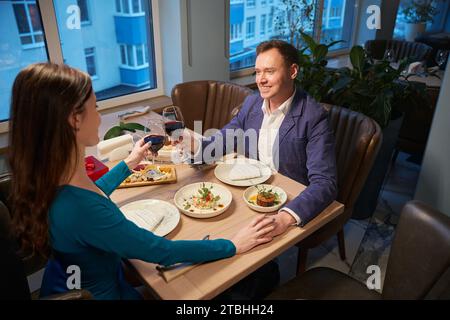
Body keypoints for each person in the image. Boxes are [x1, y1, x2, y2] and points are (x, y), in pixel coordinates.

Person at [8, 63, 276, 300]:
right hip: (109, 293)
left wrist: (129, 163)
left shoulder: (51, 178)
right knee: (261, 275)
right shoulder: (80, 210)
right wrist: (233, 244)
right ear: (75, 119)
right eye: (96, 107)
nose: (100, 116)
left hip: (71, 280)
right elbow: (161, 251)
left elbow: (92, 194)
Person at [187, 39, 337, 235]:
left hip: (288, 201)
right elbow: (225, 138)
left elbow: (325, 182)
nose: (261, 79)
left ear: (293, 71)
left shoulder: (314, 117)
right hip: (248, 193)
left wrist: (285, 218)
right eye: (258, 72)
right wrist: (196, 147)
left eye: (269, 71)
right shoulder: (251, 103)